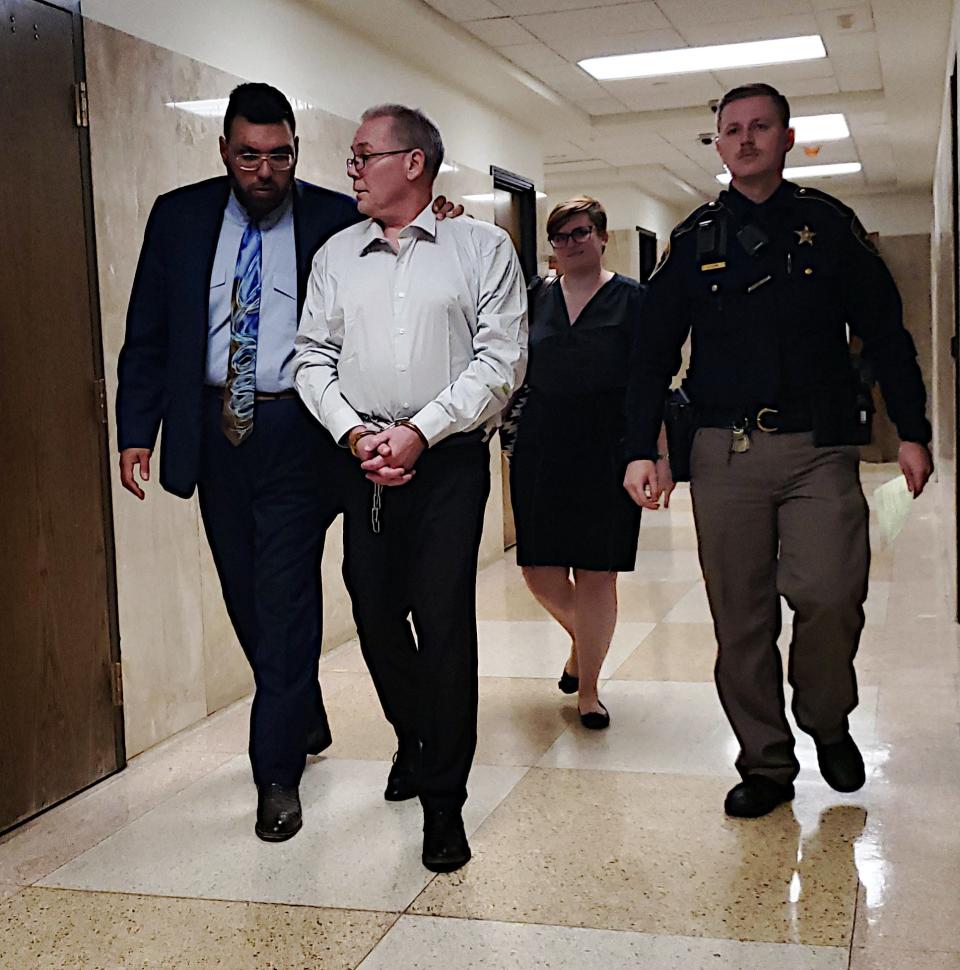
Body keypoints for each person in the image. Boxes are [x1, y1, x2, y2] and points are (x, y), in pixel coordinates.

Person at [117, 83, 460, 844]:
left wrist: (448, 218)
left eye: (280, 155)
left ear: (297, 151)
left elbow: (409, 239)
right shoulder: (177, 218)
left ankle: (275, 775)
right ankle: (299, 710)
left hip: (303, 434)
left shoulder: (335, 217)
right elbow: (148, 332)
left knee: (284, 599)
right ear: (225, 151)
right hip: (214, 433)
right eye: (249, 155)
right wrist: (136, 428)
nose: (265, 171)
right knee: (246, 597)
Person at [623, 82, 933, 819]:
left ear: (788, 139)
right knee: (742, 616)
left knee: (829, 594)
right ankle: (765, 761)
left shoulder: (828, 227)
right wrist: (643, 446)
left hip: (817, 447)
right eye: (732, 130)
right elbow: (649, 353)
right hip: (723, 450)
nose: (746, 139)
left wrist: (913, 429)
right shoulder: (695, 238)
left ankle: (827, 717)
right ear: (720, 145)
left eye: (761, 126)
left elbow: (886, 332)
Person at [294, 103, 527, 873]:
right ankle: (414, 738)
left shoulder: (481, 248)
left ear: (414, 163)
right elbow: (310, 358)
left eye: (364, 155)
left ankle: (443, 802)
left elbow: (500, 364)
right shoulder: (336, 255)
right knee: (372, 609)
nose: (351, 168)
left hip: (449, 462)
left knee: (444, 620)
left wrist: (421, 430)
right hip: (363, 459)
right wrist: (357, 434)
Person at [506, 197, 663, 729]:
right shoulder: (533, 297)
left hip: (610, 445)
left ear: (601, 236)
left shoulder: (634, 300)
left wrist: (653, 454)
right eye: (560, 237)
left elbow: (649, 382)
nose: (571, 244)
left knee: (598, 571)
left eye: (579, 233)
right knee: (538, 568)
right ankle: (583, 640)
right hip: (542, 443)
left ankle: (589, 689)